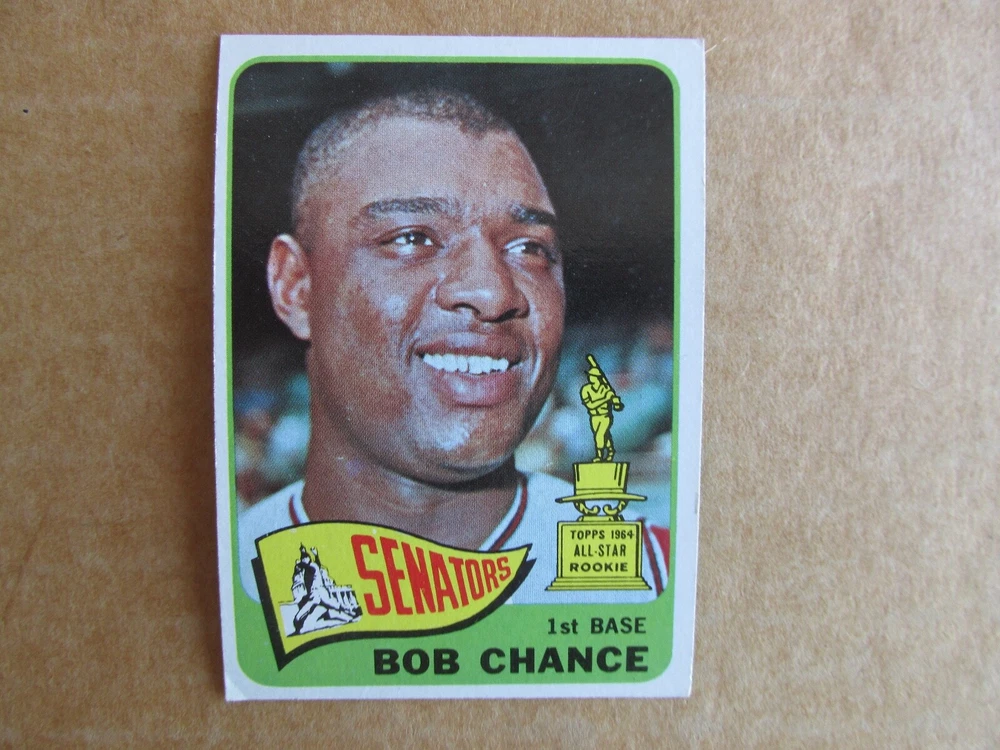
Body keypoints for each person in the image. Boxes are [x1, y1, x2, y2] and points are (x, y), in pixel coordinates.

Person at [238, 89, 669, 603]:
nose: (492, 292)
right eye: (412, 238)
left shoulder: (656, 579)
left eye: (529, 247)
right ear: (296, 288)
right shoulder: (229, 586)